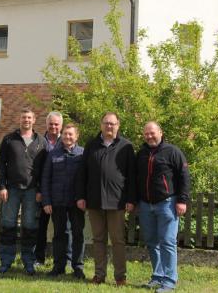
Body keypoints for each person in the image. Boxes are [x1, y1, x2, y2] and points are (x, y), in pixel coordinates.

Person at [76, 111, 136, 286]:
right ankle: (99, 275)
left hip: (117, 201)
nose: (109, 126)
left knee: (118, 241)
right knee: (98, 240)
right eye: (106, 123)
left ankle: (120, 277)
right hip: (94, 201)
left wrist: (131, 199)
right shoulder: (91, 145)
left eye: (112, 123)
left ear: (118, 125)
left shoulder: (126, 146)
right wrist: (81, 196)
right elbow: (83, 173)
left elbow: (132, 176)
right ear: (101, 125)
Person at [136, 122, 190, 293]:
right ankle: (157, 276)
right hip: (146, 205)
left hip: (167, 203)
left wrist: (182, 200)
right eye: (146, 134)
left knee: (167, 241)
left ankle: (169, 281)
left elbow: (184, 177)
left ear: (160, 132)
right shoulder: (141, 153)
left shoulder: (173, 151)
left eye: (152, 133)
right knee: (152, 242)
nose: (149, 136)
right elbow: (136, 178)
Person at [0, 108, 47, 275]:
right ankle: (6, 260)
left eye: (29, 117)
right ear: (19, 119)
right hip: (11, 189)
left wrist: (40, 190)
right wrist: (1, 186)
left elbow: (45, 169)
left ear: (34, 120)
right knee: (7, 225)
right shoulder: (9, 139)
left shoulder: (41, 141)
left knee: (30, 226)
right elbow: (1, 165)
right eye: (24, 117)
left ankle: (28, 261)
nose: (26, 120)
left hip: (32, 191)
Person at [41, 123, 86, 279]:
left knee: (78, 234)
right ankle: (59, 266)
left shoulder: (82, 154)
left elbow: (87, 179)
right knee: (59, 234)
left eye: (71, 134)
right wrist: (46, 201)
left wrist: (84, 198)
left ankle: (78, 267)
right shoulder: (53, 154)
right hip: (57, 201)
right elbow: (46, 178)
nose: (67, 137)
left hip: (76, 202)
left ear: (76, 136)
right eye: (65, 134)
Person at [34, 111, 63, 266]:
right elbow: (36, 169)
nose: (53, 127)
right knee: (40, 227)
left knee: (62, 228)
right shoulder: (39, 141)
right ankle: (38, 258)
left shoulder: (66, 141)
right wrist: (39, 190)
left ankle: (62, 260)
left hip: (60, 193)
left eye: (56, 124)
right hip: (42, 191)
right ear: (46, 124)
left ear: (61, 126)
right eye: (51, 124)